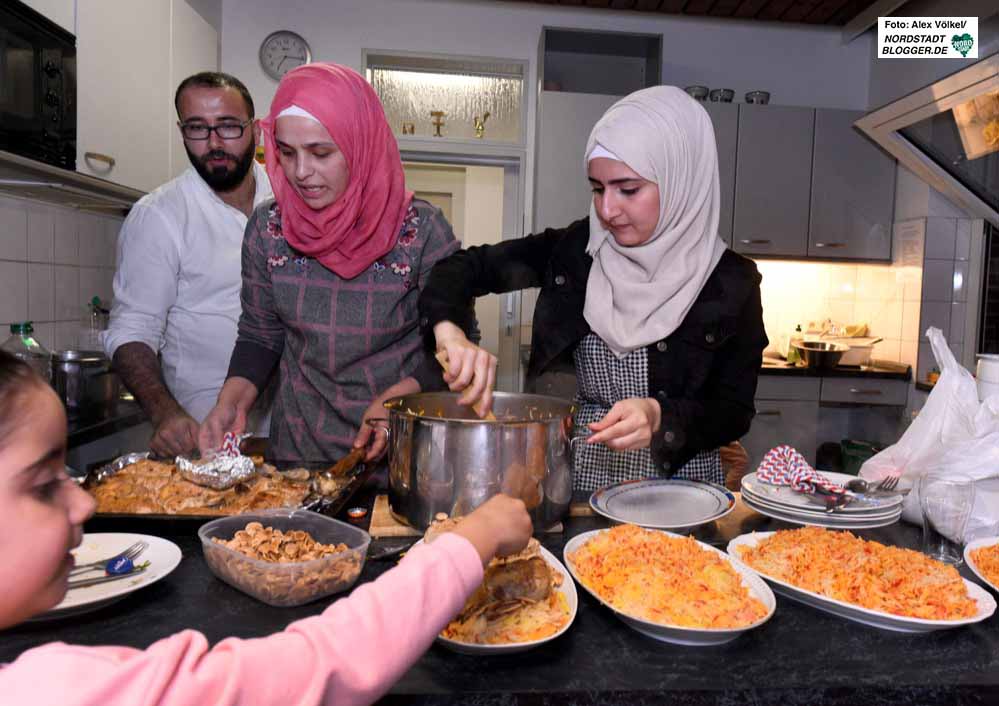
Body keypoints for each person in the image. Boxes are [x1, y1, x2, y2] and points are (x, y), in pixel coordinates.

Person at [0, 348, 532, 704]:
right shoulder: (54, 691)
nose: (85, 503)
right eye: (44, 484)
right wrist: (471, 540)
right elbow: (322, 663)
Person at [420, 86, 768, 491]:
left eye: (628, 189)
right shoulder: (574, 250)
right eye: (598, 188)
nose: (607, 210)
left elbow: (733, 411)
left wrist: (660, 416)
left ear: (680, 181)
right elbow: (462, 268)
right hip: (573, 484)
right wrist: (449, 332)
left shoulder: (732, 282)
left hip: (680, 494)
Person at [199, 63, 462, 465]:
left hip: (400, 456)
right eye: (286, 152)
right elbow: (260, 334)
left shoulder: (422, 231)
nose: (301, 172)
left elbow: (452, 350)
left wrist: (396, 400)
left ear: (360, 145)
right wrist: (232, 400)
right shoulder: (268, 229)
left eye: (321, 152)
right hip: (298, 456)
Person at [102, 72, 274, 458]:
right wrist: (165, 413)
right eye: (197, 128)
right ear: (182, 132)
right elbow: (132, 329)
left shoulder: (289, 200)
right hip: (206, 439)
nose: (213, 143)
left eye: (228, 126)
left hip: (292, 435)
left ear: (256, 130)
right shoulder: (158, 217)